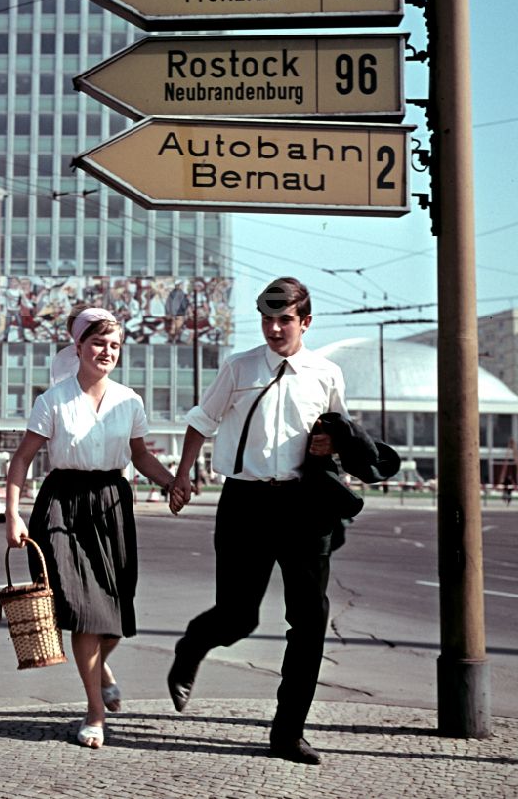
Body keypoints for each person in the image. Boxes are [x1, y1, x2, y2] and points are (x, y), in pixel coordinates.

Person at [166, 277, 347, 765]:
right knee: (238, 615)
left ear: (305, 322)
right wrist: (182, 476)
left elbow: (339, 433)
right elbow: (202, 421)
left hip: (304, 507)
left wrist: (333, 447)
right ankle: (192, 647)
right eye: (267, 319)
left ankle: (288, 732)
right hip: (244, 502)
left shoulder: (326, 374)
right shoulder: (239, 366)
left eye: (284, 319)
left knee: (310, 622)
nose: (274, 328)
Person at [5, 305, 184, 749]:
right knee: (83, 610)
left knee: (116, 613)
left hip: (111, 505)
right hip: (62, 505)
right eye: (99, 343)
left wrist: (170, 483)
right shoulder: (53, 400)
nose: (107, 351)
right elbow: (23, 458)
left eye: (114, 345)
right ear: (79, 347)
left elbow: (140, 455)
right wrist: (12, 513)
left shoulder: (130, 400)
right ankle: (95, 712)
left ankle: (100, 668)